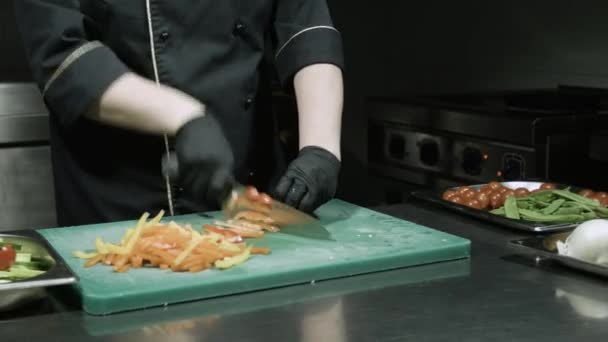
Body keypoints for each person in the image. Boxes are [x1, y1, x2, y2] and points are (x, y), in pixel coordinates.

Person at [14, 0, 344, 226]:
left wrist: (321, 149)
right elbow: (62, 56)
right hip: (122, 202)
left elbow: (306, 26)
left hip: (249, 188)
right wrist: (184, 117)